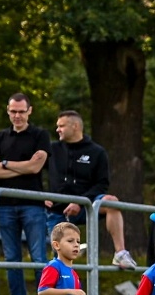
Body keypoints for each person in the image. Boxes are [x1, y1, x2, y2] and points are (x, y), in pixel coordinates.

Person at [0, 93, 53, 295]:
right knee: (12, 259)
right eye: (13, 111)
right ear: (8, 111)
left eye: (21, 111)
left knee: (38, 257)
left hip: (33, 205)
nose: (17, 116)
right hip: (5, 206)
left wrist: (5, 164)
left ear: (29, 111)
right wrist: (23, 166)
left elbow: (36, 168)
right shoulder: (0, 137)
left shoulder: (40, 135)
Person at [50, 110, 137, 269]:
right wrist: (43, 195)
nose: (58, 130)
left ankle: (120, 254)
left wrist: (80, 202)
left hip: (87, 206)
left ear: (75, 126)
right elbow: (34, 170)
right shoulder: (52, 149)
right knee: (58, 263)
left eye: (61, 126)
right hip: (57, 209)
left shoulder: (97, 152)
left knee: (112, 201)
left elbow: (102, 184)